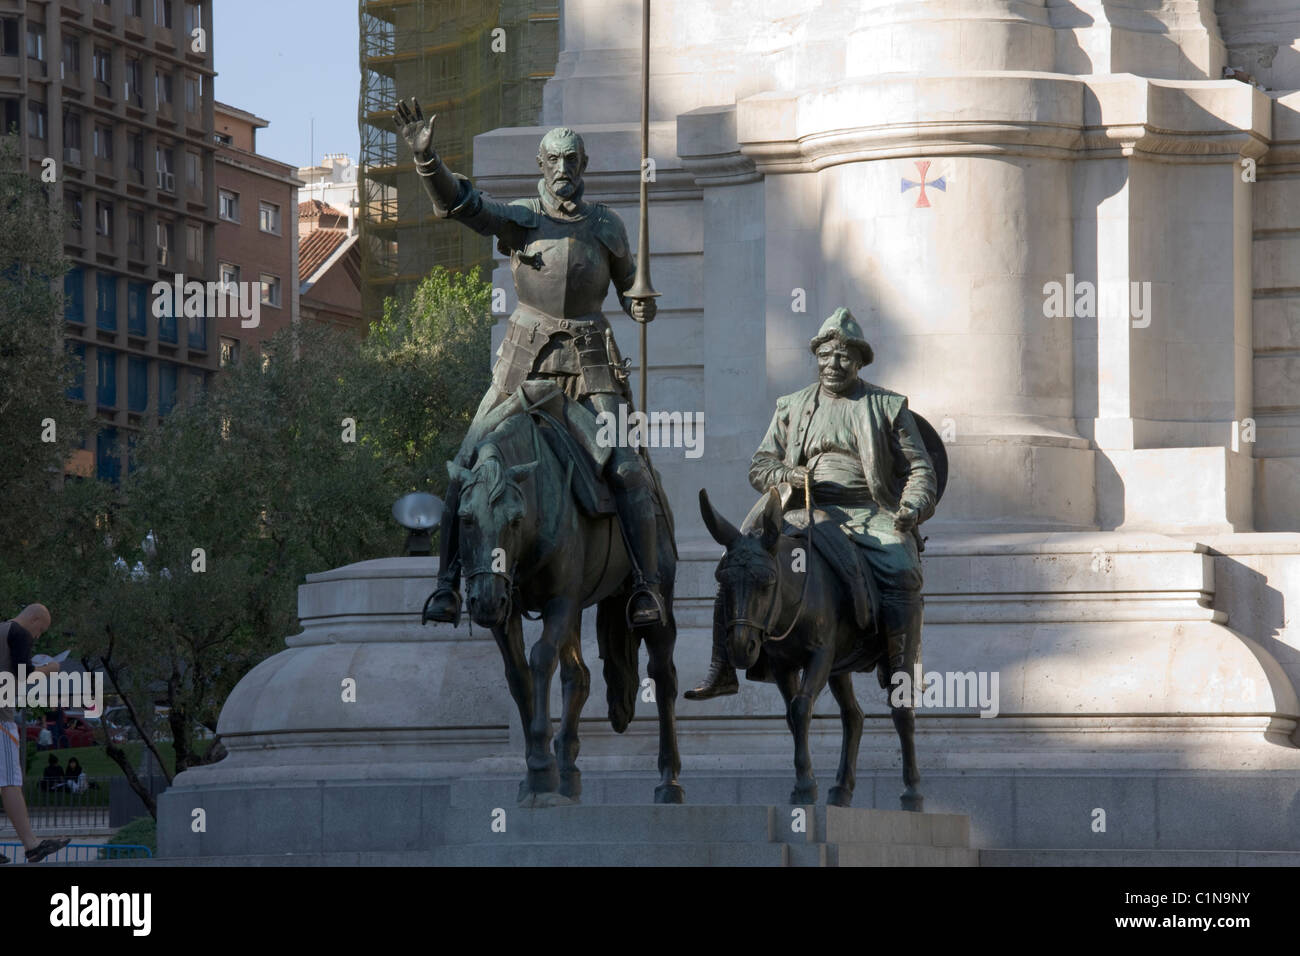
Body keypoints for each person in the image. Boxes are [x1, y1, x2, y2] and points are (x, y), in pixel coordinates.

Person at [393, 98, 666, 628]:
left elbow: (630, 283)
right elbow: (464, 204)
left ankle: (645, 588)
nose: (564, 169)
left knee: (628, 470)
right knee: (466, 464)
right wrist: (428, 162)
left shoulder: (608, 225)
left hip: (592, 365)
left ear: (583, 167)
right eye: (555, 160)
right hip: (523, 364)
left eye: (572, 160)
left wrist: (639, 302)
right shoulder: (521, 219)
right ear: (542, 166)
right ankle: (447, 584)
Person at [686, 308, 938, 699]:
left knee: (903, 570)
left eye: (842, 356)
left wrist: (911, 507)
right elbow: (760, 466)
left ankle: (901, 670)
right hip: (802, 510)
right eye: (824, 355)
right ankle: (722, 666)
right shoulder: (792, 405)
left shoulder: (888, 406)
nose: (832, 364)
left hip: (871, 513)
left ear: (858, 360)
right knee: (737, 562)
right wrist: (787, 475)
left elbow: (921, 468)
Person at [0, 604, 71, 864]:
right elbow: (24, 675)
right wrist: (50, 669)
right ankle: (31, 845)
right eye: (40, 630)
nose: (37, 636)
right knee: (9, 781)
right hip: (1, 719)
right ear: (34, 618)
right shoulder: (19, 632)